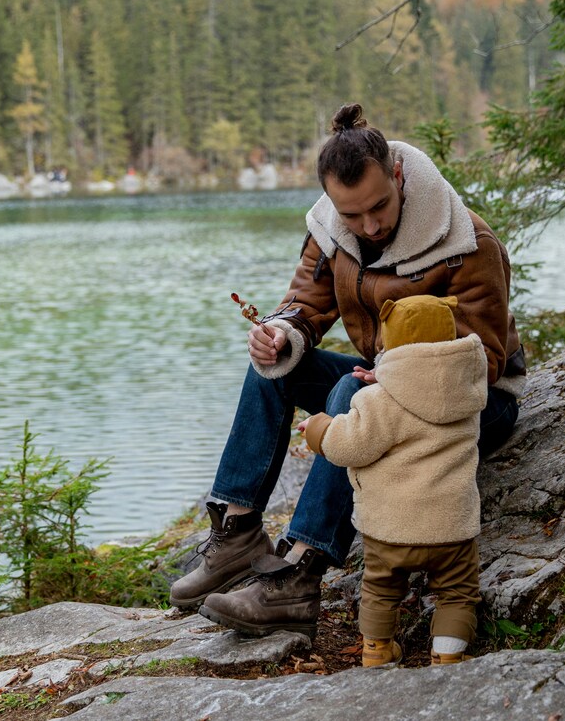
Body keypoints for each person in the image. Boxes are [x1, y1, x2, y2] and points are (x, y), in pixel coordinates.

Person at [171, 102, 525, 639]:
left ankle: (299, 575)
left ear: (398, 174)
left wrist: (396, 376)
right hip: (385, 379)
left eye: (378, 207)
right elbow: (305, 306)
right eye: (352, 214)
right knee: (273, 369)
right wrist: (279, 335)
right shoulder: (332, 229)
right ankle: (238, 531)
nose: (369, 225)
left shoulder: (465, 242)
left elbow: (487, 355)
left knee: (349, 392)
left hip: (478, 401)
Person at [299, 294, 485, 666]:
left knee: (381, 589)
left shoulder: (378, 399)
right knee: (458, 595)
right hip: (452, 526)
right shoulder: (469, 394)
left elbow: (351, 444)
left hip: (391, 529)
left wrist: (318, 428)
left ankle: (377, 651)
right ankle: (448, 656)